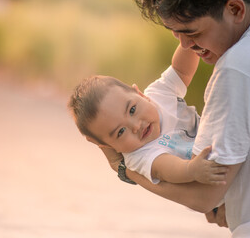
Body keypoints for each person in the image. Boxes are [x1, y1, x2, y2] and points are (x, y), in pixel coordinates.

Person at [102, 0, 250, 237]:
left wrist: (125, 168)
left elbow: (204, 195)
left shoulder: (239, 67)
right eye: (175, 33)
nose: (186, 44)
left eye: (192, 32)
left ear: (235, 9)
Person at [68, 44, 229, 187]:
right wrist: (192, 169)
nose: (136, 126)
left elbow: (181, 70)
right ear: (109, 147)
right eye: (121, 132)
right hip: (211, 178)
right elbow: (165, 167)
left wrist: (191, 42)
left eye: (132, 110)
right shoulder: (138, 156)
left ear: (140, 94)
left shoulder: (158, 95)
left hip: (222, 143)